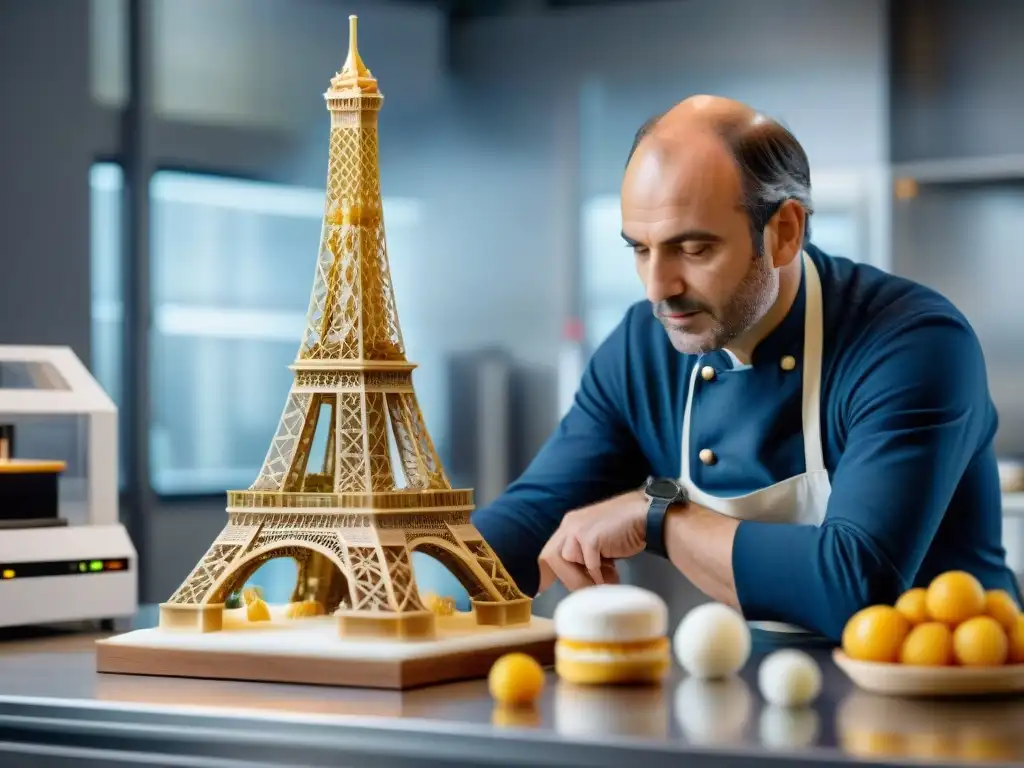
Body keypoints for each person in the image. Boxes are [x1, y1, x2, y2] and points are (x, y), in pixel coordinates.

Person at [460, 94, 1022, 642]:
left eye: (694, 249)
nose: (659, 289)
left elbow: (856, 583)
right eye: (640, 249)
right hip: (758, 704)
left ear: (783, 233)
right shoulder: (642, 348)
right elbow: (533, 516)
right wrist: (416, 571)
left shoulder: (910, 341)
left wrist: (658, 518)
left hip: (948, 706)